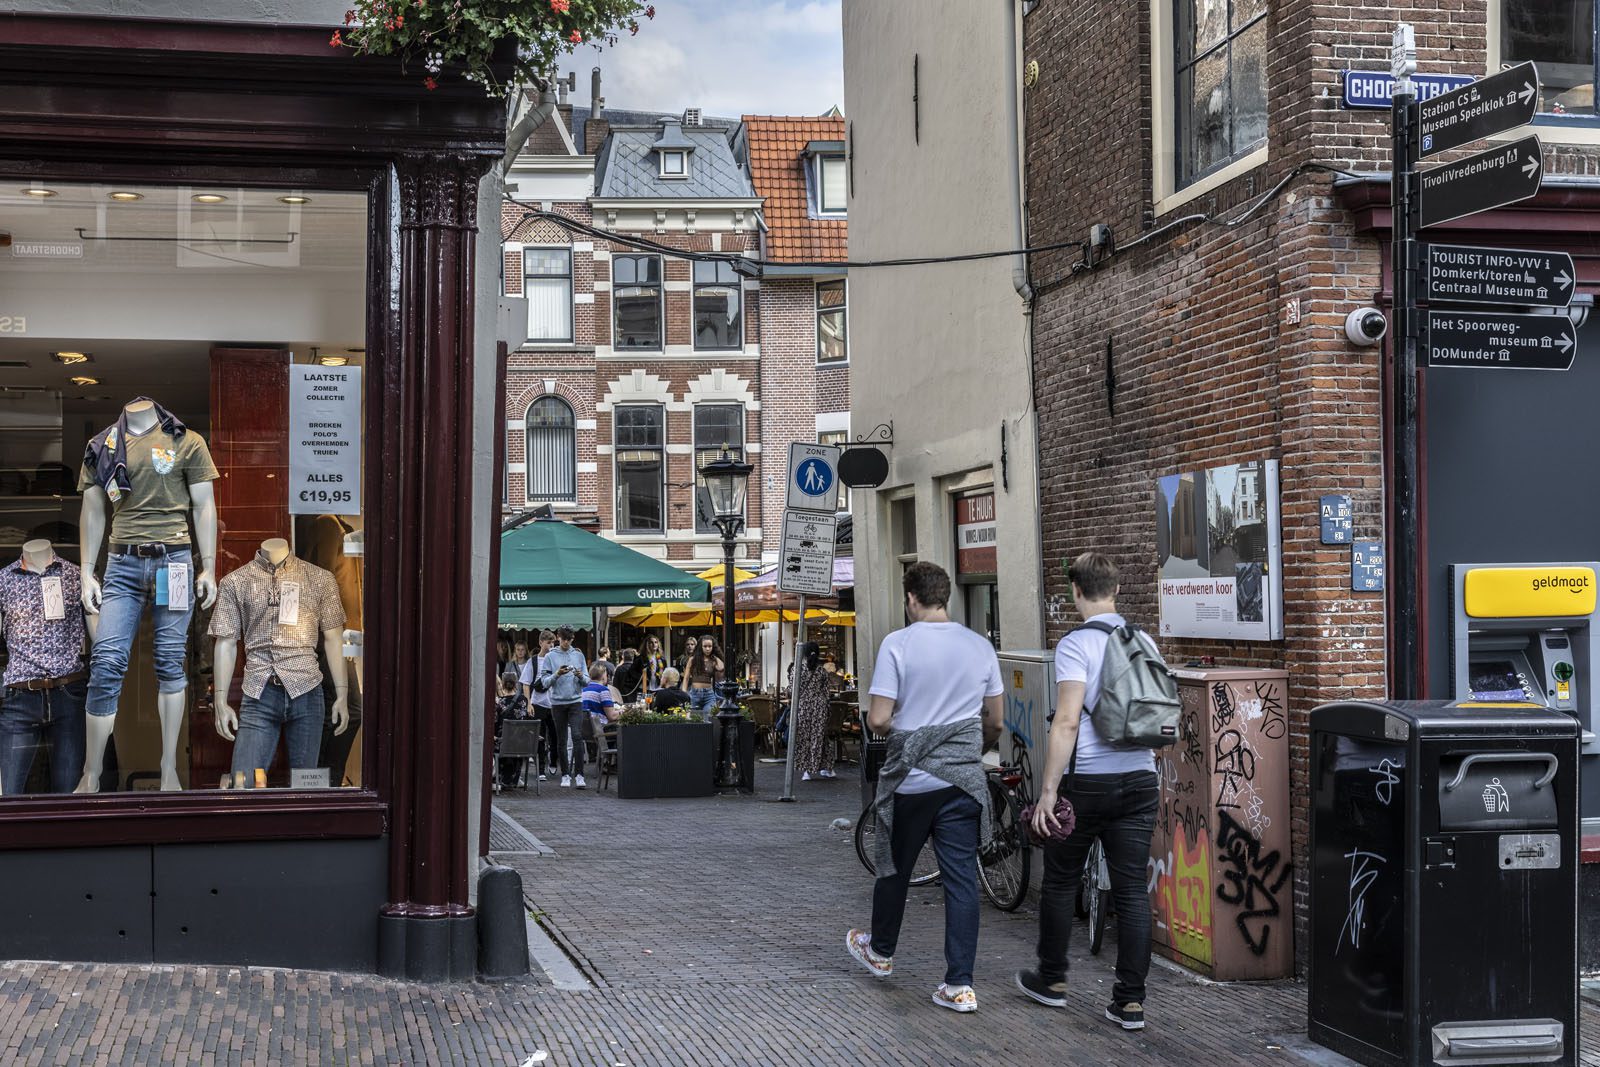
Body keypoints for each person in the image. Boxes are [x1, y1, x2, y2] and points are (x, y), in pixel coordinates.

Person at [846, 561, 1003, 1014]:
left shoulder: (898, 644)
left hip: (913, 782)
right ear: (946, 596)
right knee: (961, 880)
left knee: (894, 866)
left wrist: (916, 737)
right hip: (962, 782)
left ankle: (881, 951)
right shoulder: (979, 646)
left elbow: (877, 719)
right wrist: (966, 747)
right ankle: (960, 985)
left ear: (910, 599)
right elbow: (994, 721)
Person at [1017, 551, 1162, 1032]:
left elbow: (1067, 720)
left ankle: (1053, 980)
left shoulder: (1076, 644)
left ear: (1074, 591)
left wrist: (1047, 792)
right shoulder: (1144, 639)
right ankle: (1130, 1002)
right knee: (1132, 894)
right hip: (1141, 780)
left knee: (1059, 882)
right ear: (1116, 590)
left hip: (1087, 783)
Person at [538, 626, 589, 788]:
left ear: (573, 639)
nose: (566, 642)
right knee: (561, 739)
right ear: (558, 638)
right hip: (557, 703)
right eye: (563, 639)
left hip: (576, 701)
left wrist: (581, 675)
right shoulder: (550, 657)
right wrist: (557, 674)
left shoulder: (579, 655)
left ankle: (580, 775)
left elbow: (587, 681)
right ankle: (565, 774)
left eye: (569, 639)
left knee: (577, 736)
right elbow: (544, 682)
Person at [790, 644, 834, 781]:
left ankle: (807, 771)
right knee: (820, 737)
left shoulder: (797, 670)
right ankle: (826, 768)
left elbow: (792, 690)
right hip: (819, 707)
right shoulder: (821, 671)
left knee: (804, 738)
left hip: (803, 706)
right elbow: (827, 692)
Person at [520, 630, 555, 781]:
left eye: (553, 642)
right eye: (548, 642)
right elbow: (526, 684)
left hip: (554, 703)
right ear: (541, 643)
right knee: (539, 737)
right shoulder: (533, 661)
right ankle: (541, 770)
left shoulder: (555, 660)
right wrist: (529, 703)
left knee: (555, 736)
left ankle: (553, 761)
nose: (551, 645)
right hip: (538, 703)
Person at [493, 671, 528, 788]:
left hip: (503, 743)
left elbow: (495, 723)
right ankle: (513, 778)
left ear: (502, 684)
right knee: (516, 741)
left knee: (498, 740)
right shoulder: (523, 700)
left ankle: (503, 777)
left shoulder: (499, 702)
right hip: (520, 744)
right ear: (516, 684)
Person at [685, 634, 724, 720]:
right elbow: (686, 677)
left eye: (710, 646)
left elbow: (721, 667)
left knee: (708, 720)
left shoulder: (713, 660)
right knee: (694, 720)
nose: (707, 649)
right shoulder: (693, 659)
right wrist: (684, 693)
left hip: (709, 695)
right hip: (694, 694)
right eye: (705, 646)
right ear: (700, 647)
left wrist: (715, 656)